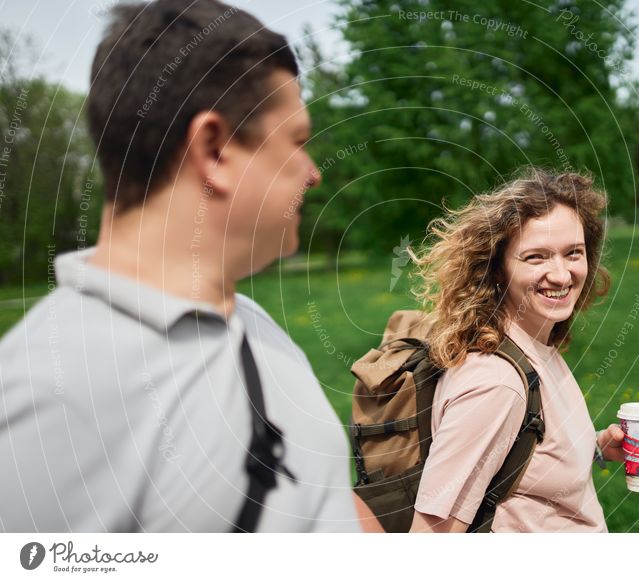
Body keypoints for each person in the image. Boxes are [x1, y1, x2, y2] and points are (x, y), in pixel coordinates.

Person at [0, 0, 379, 532]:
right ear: (215, 149)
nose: (313, 173)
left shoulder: (251, 325)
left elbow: (322, 502)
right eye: (296, 141)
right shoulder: (44, 399)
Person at [408, 168, 639, 533]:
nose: (562, 275)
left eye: (573, 253)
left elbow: (518, 460)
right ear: (497, 268)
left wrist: (595, 447)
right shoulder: (495, 384)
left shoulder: (533, 344)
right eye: (536, 257)